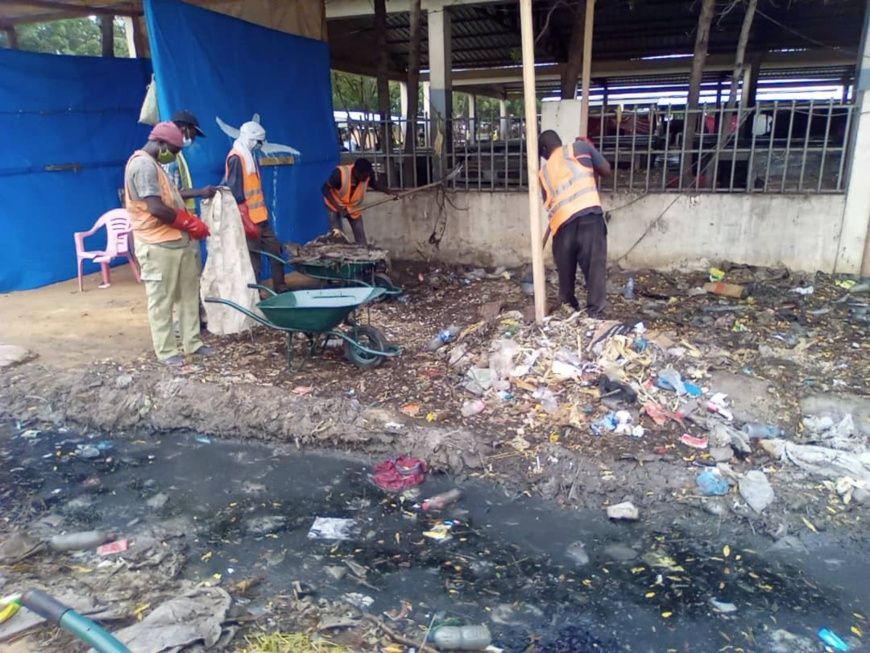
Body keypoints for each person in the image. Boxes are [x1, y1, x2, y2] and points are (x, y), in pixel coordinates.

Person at [124, 122, 212, 366]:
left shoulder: (156, 165)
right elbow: (155, 208)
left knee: (188, 295)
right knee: (161, 301)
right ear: (160, 143)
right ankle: (166, 351)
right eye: (173, 149)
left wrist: (187, 224)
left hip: (176, 242)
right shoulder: (142, 165)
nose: (175, 154)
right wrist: (188, 223)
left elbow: (170, 199)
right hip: (157, 244)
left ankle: (192, 343)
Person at [538, 129, 612, 317]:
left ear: (545, 149)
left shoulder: (543, 173)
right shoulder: (580, 148)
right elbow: (606, 170)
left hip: (562, 226)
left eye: (542, 152)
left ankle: (568, 306)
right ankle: (596, 312)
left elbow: (548, 203)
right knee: (594, 268)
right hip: (589, 216)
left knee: (565, 271)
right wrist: (591, 150)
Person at [223, 121, 289, 293]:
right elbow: (236, 193)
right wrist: (246, 221)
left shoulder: (248, 156)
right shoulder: (237, 158)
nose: (260, 145)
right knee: (254, 260)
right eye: (258, 142)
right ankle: (254, 295)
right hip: (248, 219)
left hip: (260, 217)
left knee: (275, 250)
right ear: (251, 139)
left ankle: (280, 287)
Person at [322, 158, 397, 246]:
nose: (366, 179)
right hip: (334, 206)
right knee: (337, 236)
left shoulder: (368, 174)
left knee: (360, 236)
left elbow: (374, 185)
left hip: (353, 207)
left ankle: (363, 252)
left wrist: (390, 192)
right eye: (364, 176)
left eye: (367, 176)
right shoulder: (339, 175)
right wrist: (339, 208)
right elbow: (324, 188)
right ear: (356, 172)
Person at [165, 110, 217, 210]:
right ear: (184, 130)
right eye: (193, 134)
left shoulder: (178, 155)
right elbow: (168, 193)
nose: (193, 140)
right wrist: (201, 192)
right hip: (173, 216)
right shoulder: (168, 157)